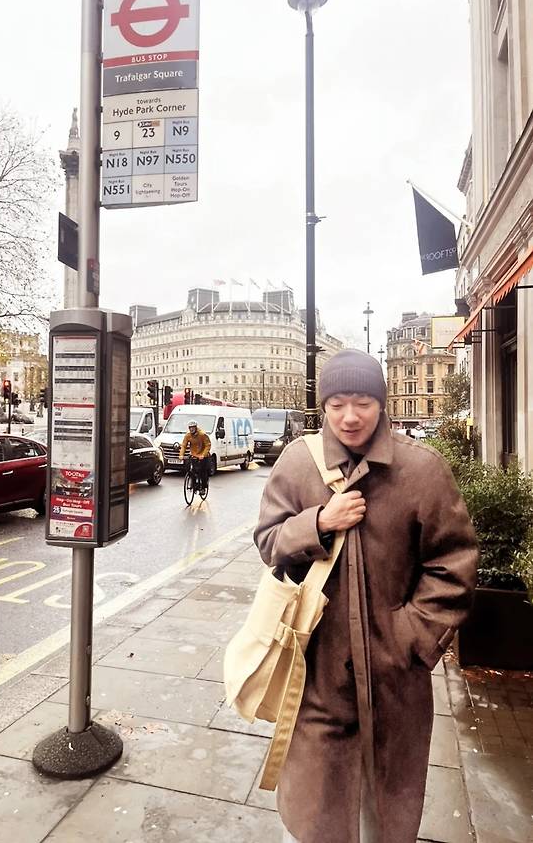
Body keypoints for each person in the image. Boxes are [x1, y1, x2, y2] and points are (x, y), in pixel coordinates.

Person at [254, 349, 478, 843]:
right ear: (324, 406)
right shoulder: (298, 463)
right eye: (336, 404)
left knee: (387, 811)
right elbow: (268, 541)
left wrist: (409, 640)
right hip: (317, 676)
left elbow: (453, 565)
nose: (349, 417)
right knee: (315, 813)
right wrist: (318, 523)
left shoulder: (422, 470)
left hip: (395, 683)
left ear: (382, 403)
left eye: (362, 402)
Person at [179, 419, 211, 491]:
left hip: (203, 455)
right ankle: (193, 484)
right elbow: (184, 445)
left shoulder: (202, 434)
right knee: (191, 469)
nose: (191, 429)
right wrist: (181, 455)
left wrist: (203, 455)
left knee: (202, 471)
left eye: (193, 427)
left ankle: (203, 487)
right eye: (190, 427)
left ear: (196, 427)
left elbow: (208, 445)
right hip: (194, 455)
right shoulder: (188, 435)